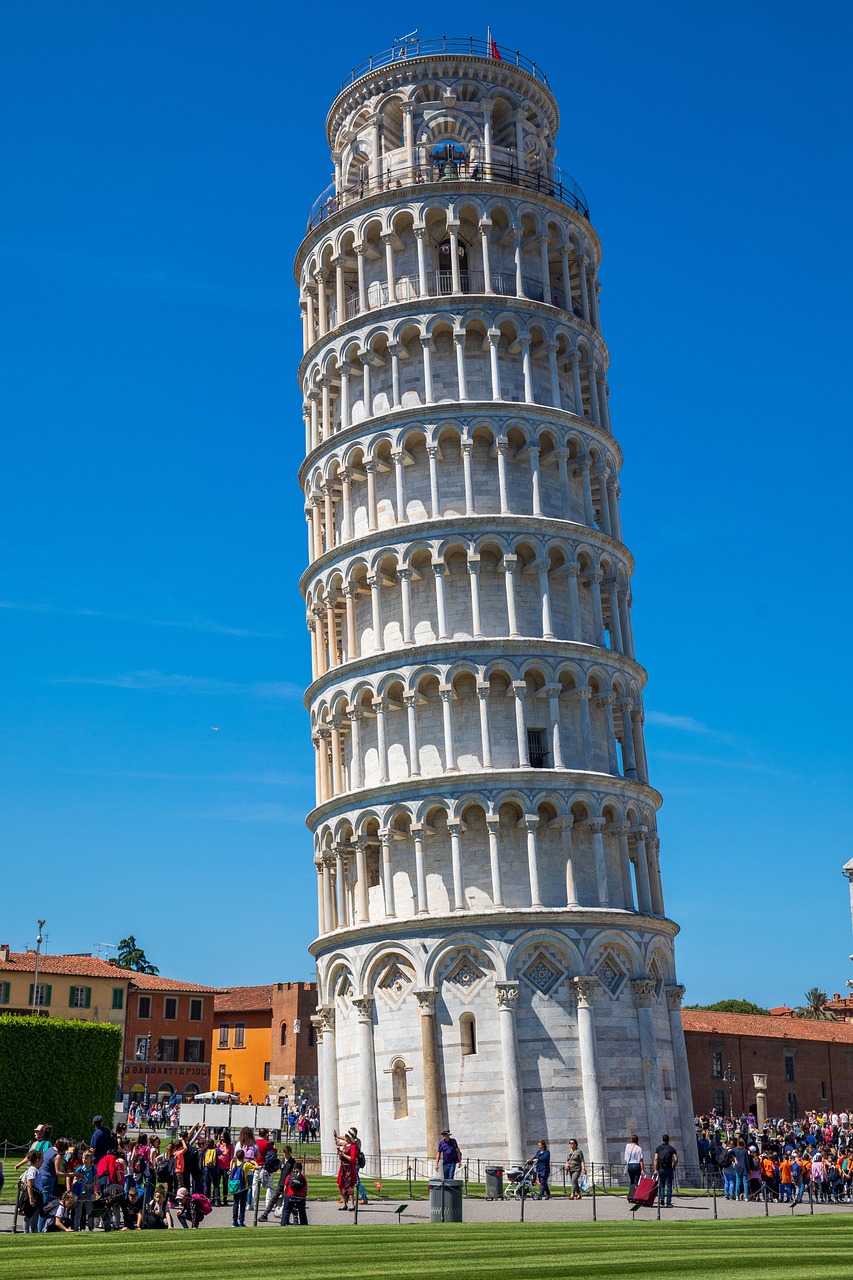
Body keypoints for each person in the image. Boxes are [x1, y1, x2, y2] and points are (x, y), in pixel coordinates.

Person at [334, 1128, 359, 1210]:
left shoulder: (353, 1146)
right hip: (343, 1167)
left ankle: (352, 1204)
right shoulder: (345, 1145)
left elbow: (352, 1158)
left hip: (349, 1169)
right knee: (342, 1186)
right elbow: (338, 1144)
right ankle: (344, 1204)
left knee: (350, 1187)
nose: (345, 1138)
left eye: (347, 1137)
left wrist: (343, 1155)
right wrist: (340, 1154)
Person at [19, 1150, 43, 1233]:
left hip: (37, 1193)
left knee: (35, 1214)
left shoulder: (37, 1169)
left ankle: (33, 1230)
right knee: (29, 1215)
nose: (43, 1161)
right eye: (42, 1159)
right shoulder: (33, 1170)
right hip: (33, 1193)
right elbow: (29, 1184)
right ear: (37, 1160)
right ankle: (26, 1231)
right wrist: (31, 1197)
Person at [653, 1134, 678, 1208]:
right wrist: (674, 1166)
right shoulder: (671, 1149)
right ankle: (668, 1202)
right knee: (669, 1185)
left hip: (661, 1168)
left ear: (662, 1139)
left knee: (661, 1184)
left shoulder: (659, 1148)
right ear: (668, 1140)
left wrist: (655, 1169)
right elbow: (676, 1159)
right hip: (669, 1168)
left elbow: (655, 1159)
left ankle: (662, 1199)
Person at [281, 1161, 308, 1226]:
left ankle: (284, 1223)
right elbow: (305, 1187)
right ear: (301, 1169)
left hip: (290, 1195)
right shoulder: (302, 1176)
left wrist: (285, 1195)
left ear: (293, 1168)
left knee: (286, 1211)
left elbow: (285, 1187)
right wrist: (305, 1195)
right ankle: (304, 1223)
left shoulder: (289, 1176)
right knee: (302, 1212)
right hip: (300, 1196)